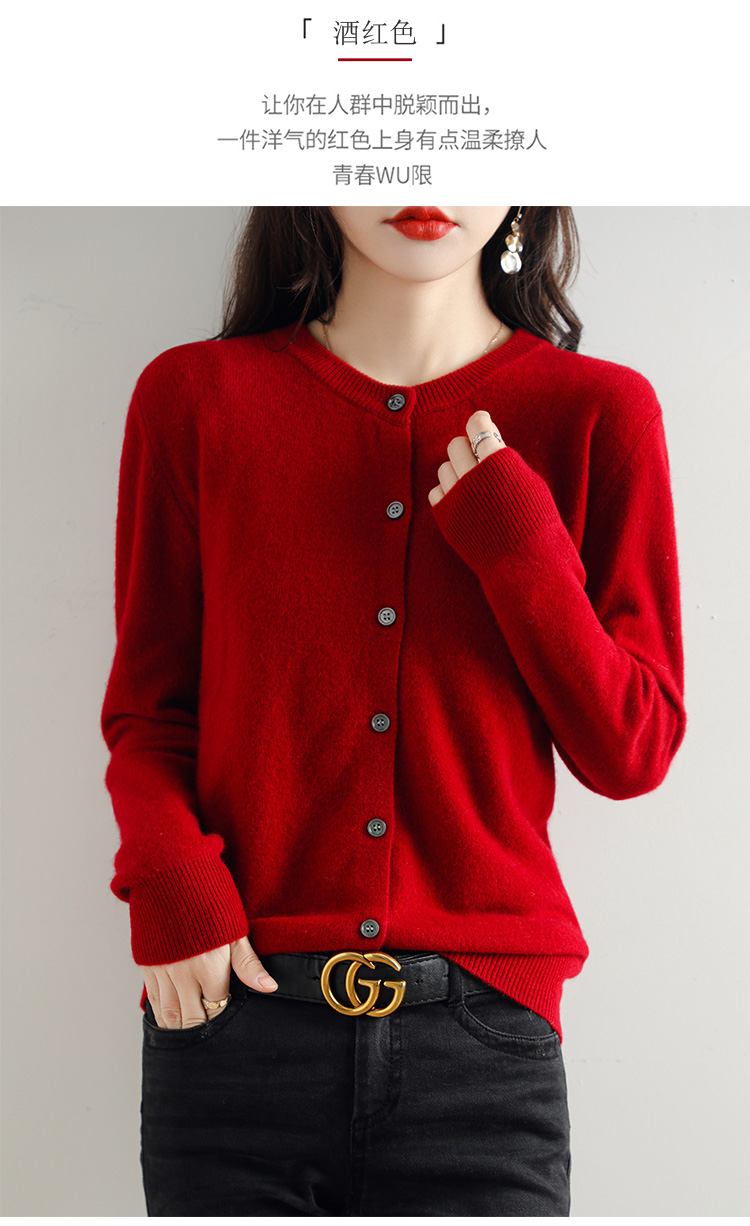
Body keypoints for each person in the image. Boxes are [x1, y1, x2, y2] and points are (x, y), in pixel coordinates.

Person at [100, 205, 687, 1216]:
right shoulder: (196, 398)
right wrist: (171, 881)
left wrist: (521, 550)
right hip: (234, 1026)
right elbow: (151, 713)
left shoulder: (597, 413)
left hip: (483, 1054)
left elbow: (632, 746)